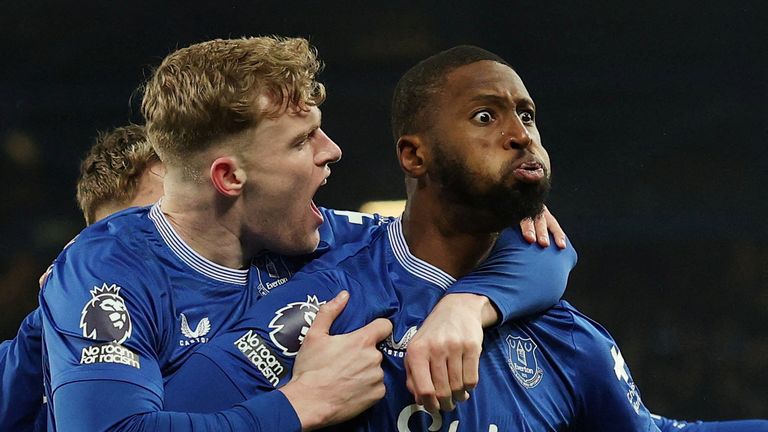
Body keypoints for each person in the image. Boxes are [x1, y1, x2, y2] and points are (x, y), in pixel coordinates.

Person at [162, 45, 768, 431]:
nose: (520, 134)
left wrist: (467, 303)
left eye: (526, 115)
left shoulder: (569, 338)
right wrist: (298, 406)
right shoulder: (328, 297)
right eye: (486, 116)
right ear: (414, 154)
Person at [37, 37, 568, 432]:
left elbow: (540, 251)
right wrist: (301, 404)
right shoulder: (106, 270)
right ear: (229, 177)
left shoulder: (324, 238)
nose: (331, 150)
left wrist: (468, 305)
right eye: (301, 140)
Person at [0, 125, 165, 432]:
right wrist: (41, 326)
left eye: (156, 227)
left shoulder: (255, 287)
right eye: (116, 243)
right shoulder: (56, 336)